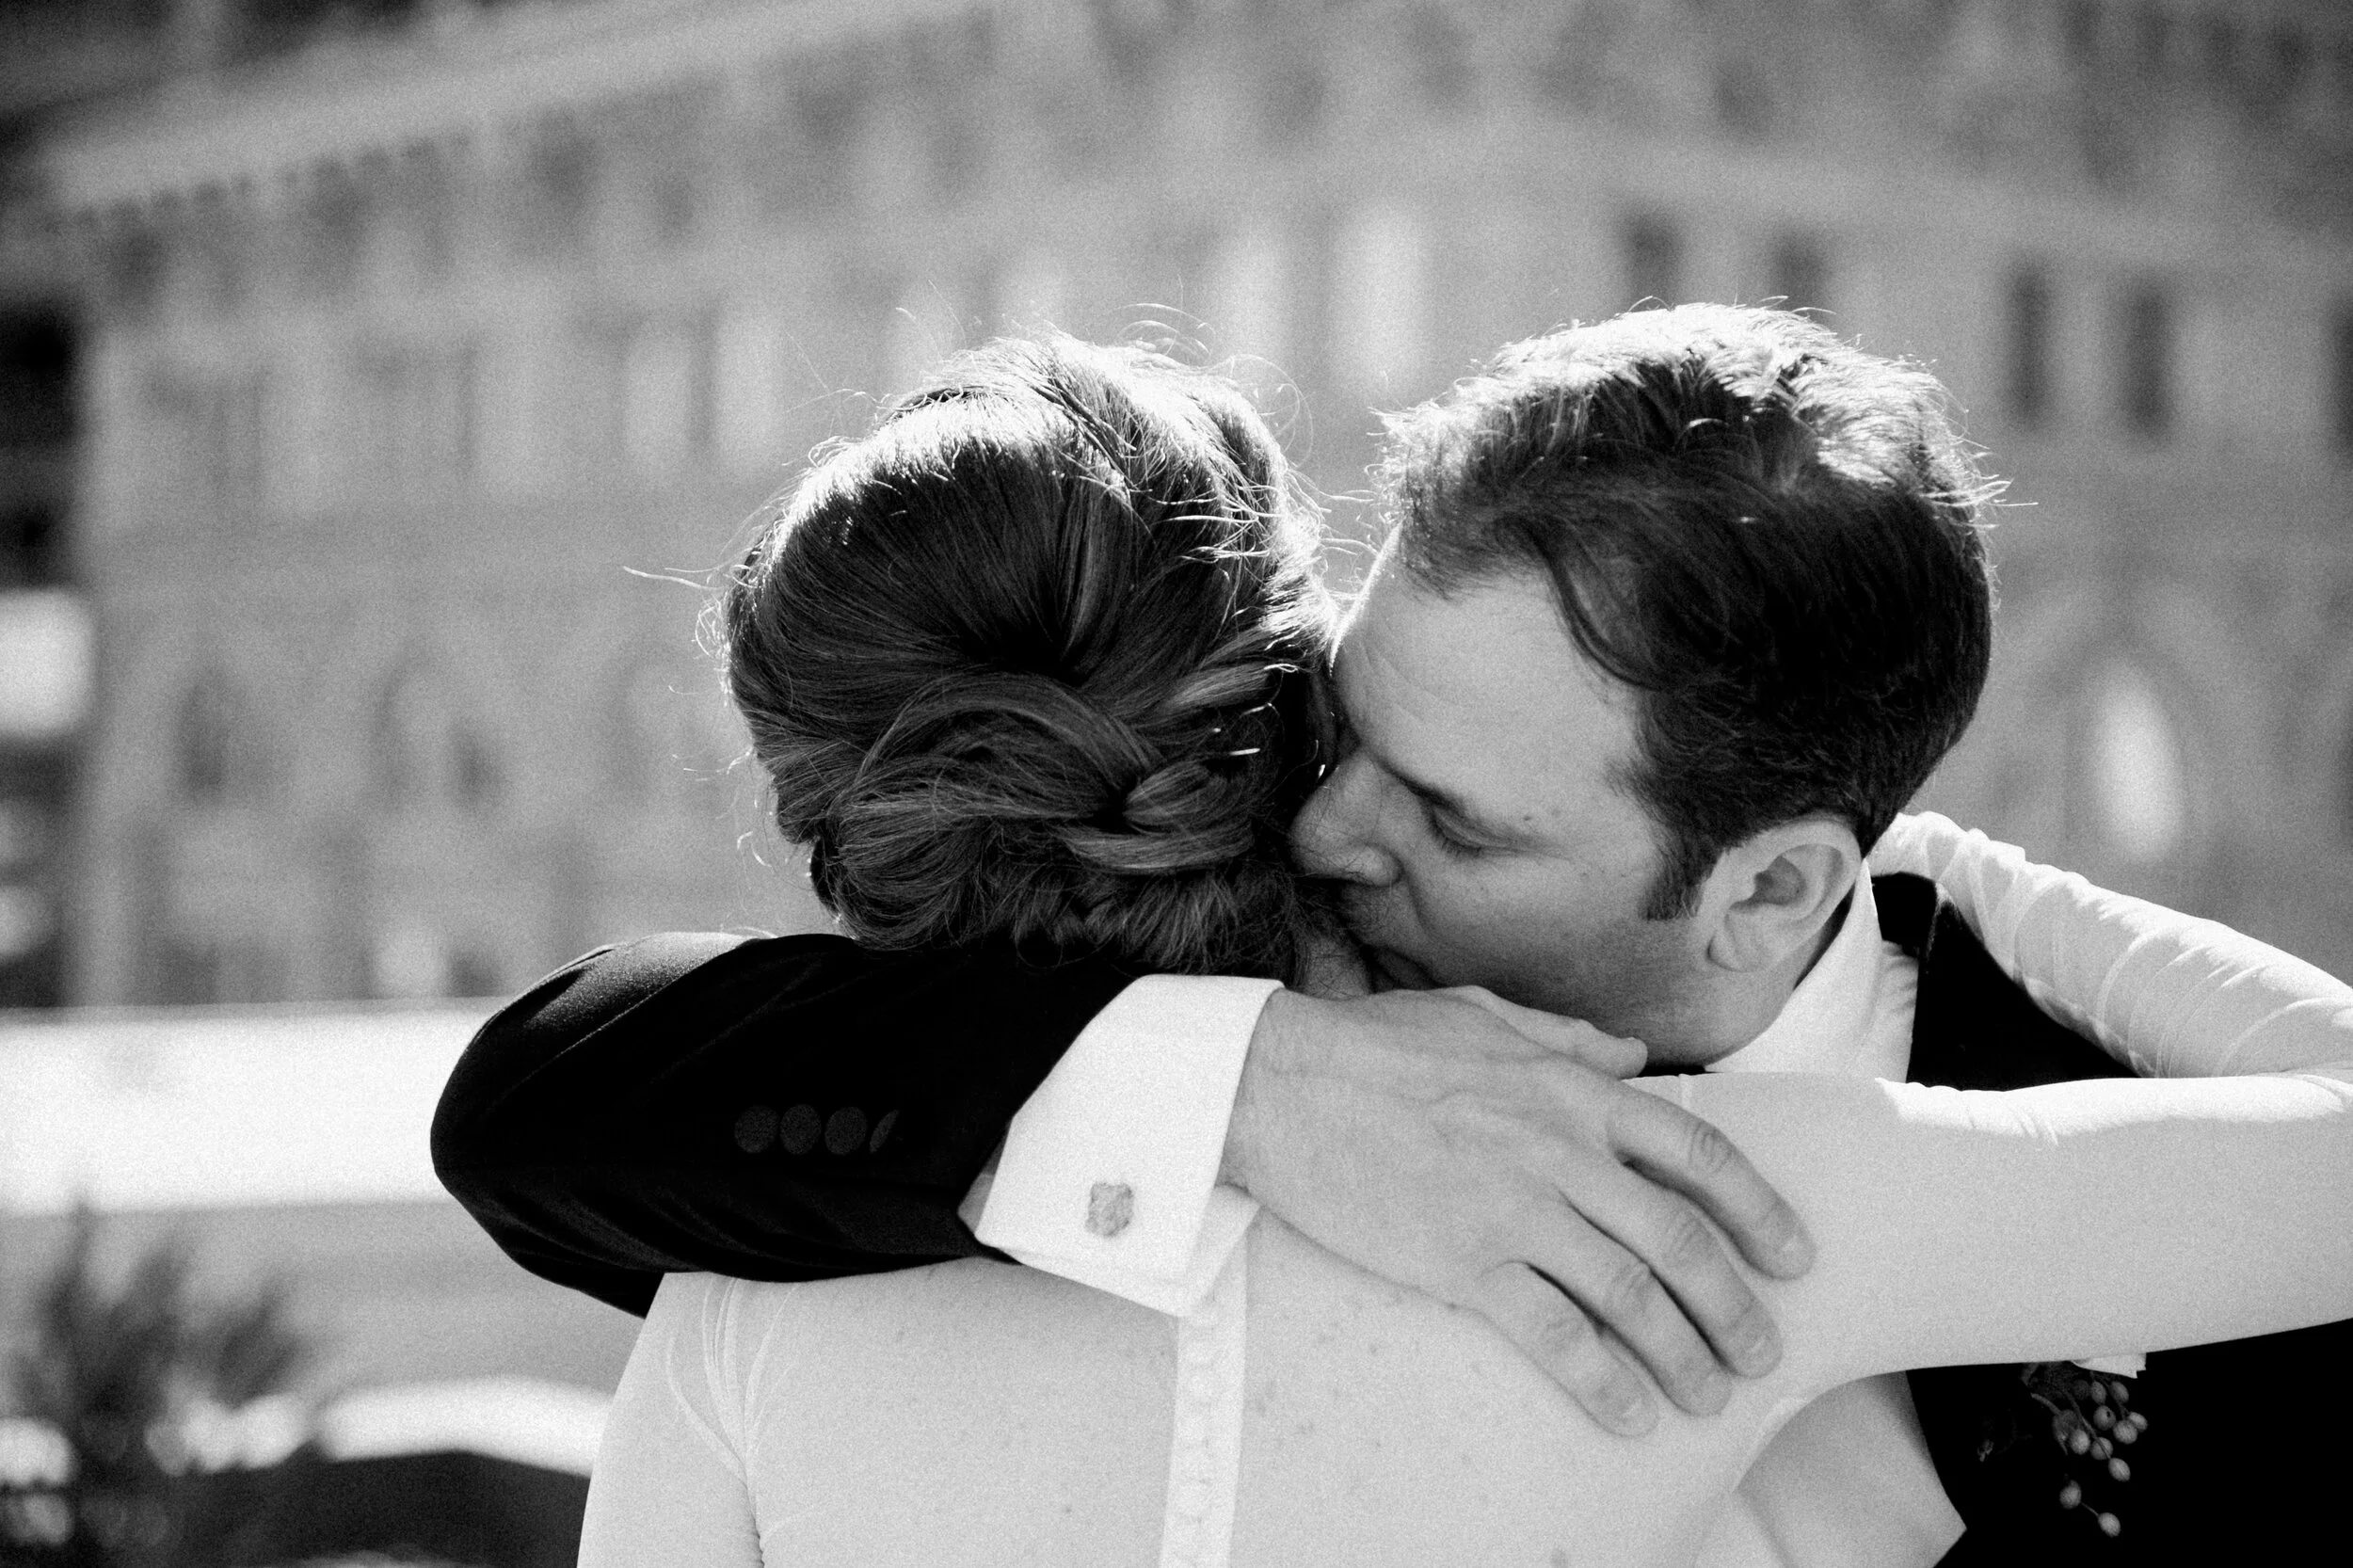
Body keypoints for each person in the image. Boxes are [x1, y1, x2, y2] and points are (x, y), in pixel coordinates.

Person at [434, 311, 2353, 1564]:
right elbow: (531, 1098)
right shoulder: (1771, 1194)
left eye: (1444, 814)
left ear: (1774, 882)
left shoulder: (746, 1305)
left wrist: (2001, 901)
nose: (1334, 824)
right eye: (1338, 723)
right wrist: (1242, 1086)